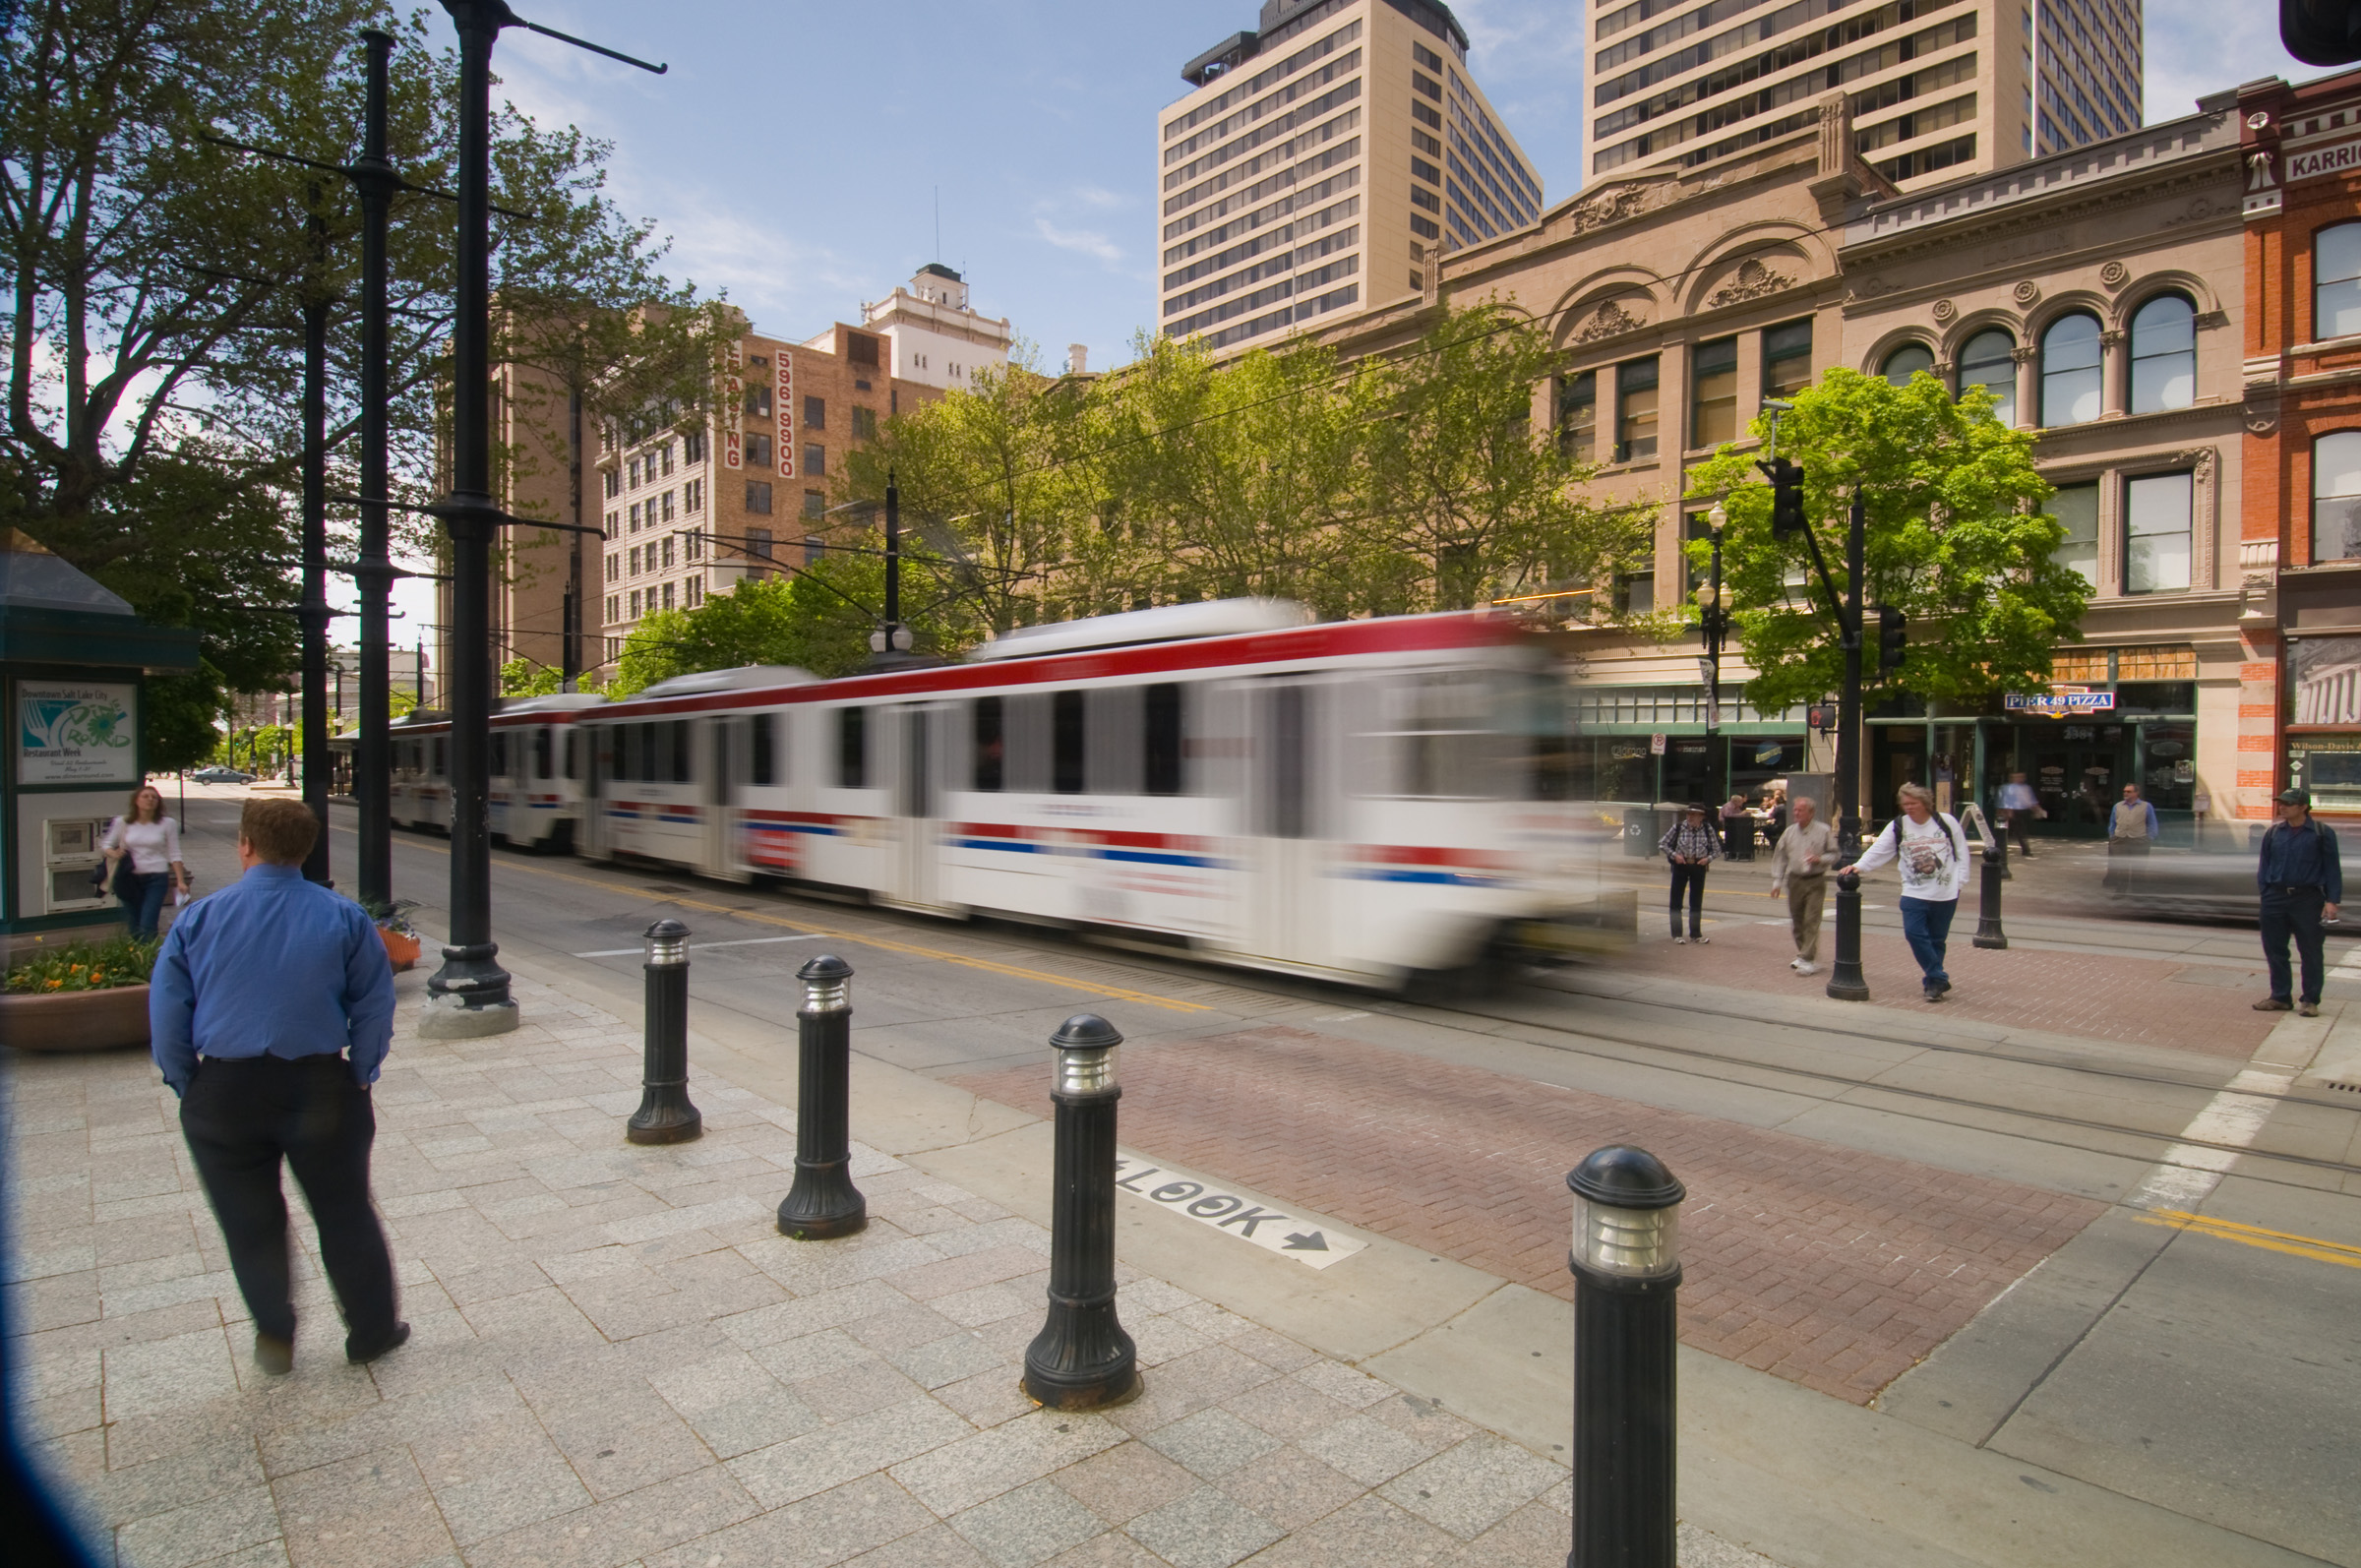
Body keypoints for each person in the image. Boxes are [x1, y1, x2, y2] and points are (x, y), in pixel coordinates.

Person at [150, 798, 406, 1375]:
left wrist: (189, 1082)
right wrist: (361, 1073)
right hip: (318, 1082)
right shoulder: (343, 917)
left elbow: (168, 1010)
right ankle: (371, 1330)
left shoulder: (200, 919)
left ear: (245, 845)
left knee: (249, 1220)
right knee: (344, 1210)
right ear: (307, 848)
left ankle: (274, 1328)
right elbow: (373, 1003)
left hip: (224, 1087)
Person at [1851, 782, 1971, 1001]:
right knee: (1914, 933)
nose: (1908, 807)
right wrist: (1859, 866)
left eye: (1913, 803)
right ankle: (1939, 975)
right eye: (1905, 803)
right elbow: (1879, 850)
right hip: (1913, 892)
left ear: (1925, 803)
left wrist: (1960, 882)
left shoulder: (1946, 822)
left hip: (1945, 892)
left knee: (1937, 939)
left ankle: (1933, 985)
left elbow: (1962, 853)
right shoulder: (1899, 825)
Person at [2255, 787, 2342, 1018]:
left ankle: (2310, 1000)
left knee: (2311, 951)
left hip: (2307, 898)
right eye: (2280, 802)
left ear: (2303, 807)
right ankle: (2280, 996)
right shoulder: (2274, 833)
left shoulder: (2321, 833)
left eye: (2288, 803)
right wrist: (2265, 891)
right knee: (2275, 949)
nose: (2282, 806)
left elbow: (2332, 868)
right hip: (2275, 896)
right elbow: (2264, 865)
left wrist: (2332, 900)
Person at [101, 783, 189, 939]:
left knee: (148, 922)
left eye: (154, 797)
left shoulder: (167, 823)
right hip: (129, 878)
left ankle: (149, 959)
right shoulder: (123, 822)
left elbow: (175, 853)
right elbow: (106, 844)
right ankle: (137, 957)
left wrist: (181, 881)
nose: (150, 800)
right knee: (134, 922)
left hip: (156, 878)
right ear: (136, 800)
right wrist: (113, 853)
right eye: (145, 796)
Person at [1767, 795, 1839, 975]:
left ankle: (1807, 958)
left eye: (1800, 810)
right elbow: (1781, 856)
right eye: (1795, 810)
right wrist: (1777, 881)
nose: (1796, 813)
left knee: (1811, 920)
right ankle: (1804, 954)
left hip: (1815, 880)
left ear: (1811, 812)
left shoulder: (1823, 831)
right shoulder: (1789, 832)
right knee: (1797, 921)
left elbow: (1835, 854)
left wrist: (1820, 859)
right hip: (1795, 880)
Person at [1659, 803, 1720, 943]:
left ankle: (1696, 934)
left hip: (1698, 866)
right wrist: (1675, 855)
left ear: (1701, 816)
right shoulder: (1679, 827)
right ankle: (1677, 934)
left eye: (1693, 814)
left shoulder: (1707, 829)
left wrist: (1707, 859)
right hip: (1681, 865)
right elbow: (1662, 843)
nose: (1690, 817)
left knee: (1696, 901)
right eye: (1688, 813)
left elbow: (1717, 849)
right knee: (1676, 902)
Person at [2103, 782, 2159, 896]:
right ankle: (2120, 891)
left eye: (2129, 791)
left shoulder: (2146, 806)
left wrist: (2149, 838)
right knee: (2122, 867)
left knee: (2138, 868)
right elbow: (2113, 823)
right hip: (2120, 840)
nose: (2125, 793)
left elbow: (2152, 823)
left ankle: (2137, 892)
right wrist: (2112, 836)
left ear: (2136, 793)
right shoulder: (2118, 806)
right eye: (2124, 791)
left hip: (2139, 840)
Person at [1996, 771, 2041, 859]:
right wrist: (2006, 811)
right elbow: (2004, 801)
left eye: (2021, 777)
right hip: (2010, 811)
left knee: (2021, 832)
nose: (2019, 779)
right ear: (2011, 778)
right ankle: (1999, 850)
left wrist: (2037, 809)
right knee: (2005, 832)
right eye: (2017, 777)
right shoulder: (2007, 788)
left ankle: (2025, 850)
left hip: (2023, 812)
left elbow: (2031, 800)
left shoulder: (2026, 788)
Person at [1719, 793, 1754, 861]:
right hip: (1728, 825)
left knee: (1747, 832)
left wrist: (1745, 814)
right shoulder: (1728, 806)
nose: (1742, 803)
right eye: (1740, 802)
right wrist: (1741, 814)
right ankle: (1734, 851)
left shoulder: (1737, 807)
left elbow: (1739, 814)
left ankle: (1744, 852)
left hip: (1736, 825)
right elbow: (1728, 816)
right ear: (1736, 801)